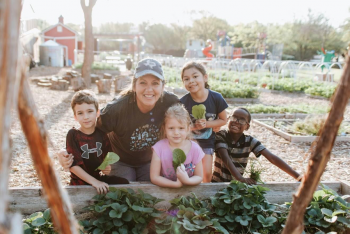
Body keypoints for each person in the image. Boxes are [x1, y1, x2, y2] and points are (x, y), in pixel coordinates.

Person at [58, 58, 179, 181]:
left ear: (163, 86)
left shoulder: (170, 102)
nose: (149, 89)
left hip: (149, 159)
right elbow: (89, 131)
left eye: (155, 83)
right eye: (143, 83)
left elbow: (189, 123)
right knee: (124, 188)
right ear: (134, 86)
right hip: (119, 160)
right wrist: (66, 152)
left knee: (152, 189)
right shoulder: (115, 110)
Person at [211, 107, 301, 184]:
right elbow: (225, 157)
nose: (236, 122)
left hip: (237, 185)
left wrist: (297, 176)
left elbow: (272, 158)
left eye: (242, 120)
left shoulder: (249, 141)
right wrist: (240, 178)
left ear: (247, 126)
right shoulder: (221, 135)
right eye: (233, 118)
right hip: (217, 183)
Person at [67, 90, 129, 194]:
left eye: (90, 111)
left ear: (97, 112)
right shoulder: (73, 135)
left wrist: (107, 168)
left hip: (98, 179)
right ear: (75, 117)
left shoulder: (101, 133)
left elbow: (106, 157)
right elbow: (73, 166)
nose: (86, 117)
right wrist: (95, 182)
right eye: (80, 113)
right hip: (79, 183)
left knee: (124, 183)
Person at [180, 61, 228, 182]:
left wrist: (207, 124)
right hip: (189, 142)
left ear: (205, 77)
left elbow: (223, 120)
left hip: (207, 141)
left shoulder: (216, 98)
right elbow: (179, 126)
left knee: (206, 173)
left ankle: (205, 198)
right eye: (186, 79)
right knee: (188, 172)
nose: (191, 81)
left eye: (195, 76)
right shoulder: (182, 102)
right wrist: (193, 127)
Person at [150, 104, 204, 188]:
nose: (176, 132)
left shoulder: (195, 149)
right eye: (171, 128)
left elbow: (199, 176)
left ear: (188, 129)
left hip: (189, 191)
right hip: (165, 190)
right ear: (164, 129)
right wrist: (176, 184)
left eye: (181, 128)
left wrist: (187, 181)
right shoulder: (158, 148)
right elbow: (154, 177)